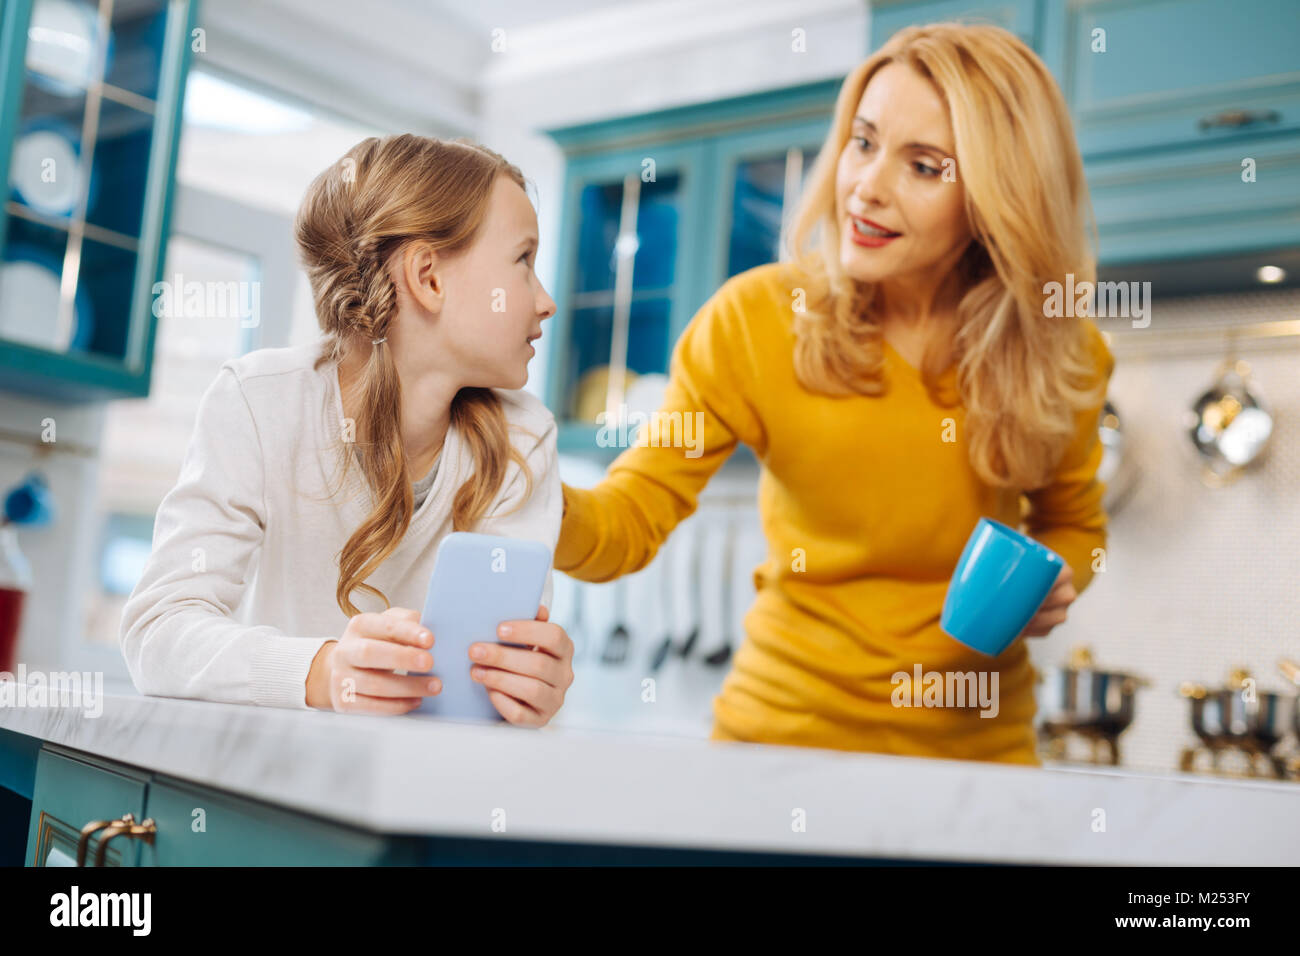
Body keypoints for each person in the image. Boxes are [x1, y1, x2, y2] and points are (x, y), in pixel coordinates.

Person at [555, 23, 1115, 764]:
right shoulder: (754, 322)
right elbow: (627, 521)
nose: (867, 187)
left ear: (997, 196)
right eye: (863, 142)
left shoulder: (1059, 350)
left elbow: (1074, 523)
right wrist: (523, 493)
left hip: (977, 759)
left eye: (923, 166)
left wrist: (1053, 581)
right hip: (778, 746)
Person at [120, 135, 574, 724]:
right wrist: (324, 672)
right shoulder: (260, 403)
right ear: (428, 277)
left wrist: (532, 682)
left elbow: (494, 687)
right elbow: (159, 631)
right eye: (523, 261)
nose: (545, 302)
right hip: (276, 782)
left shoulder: (525, 437)